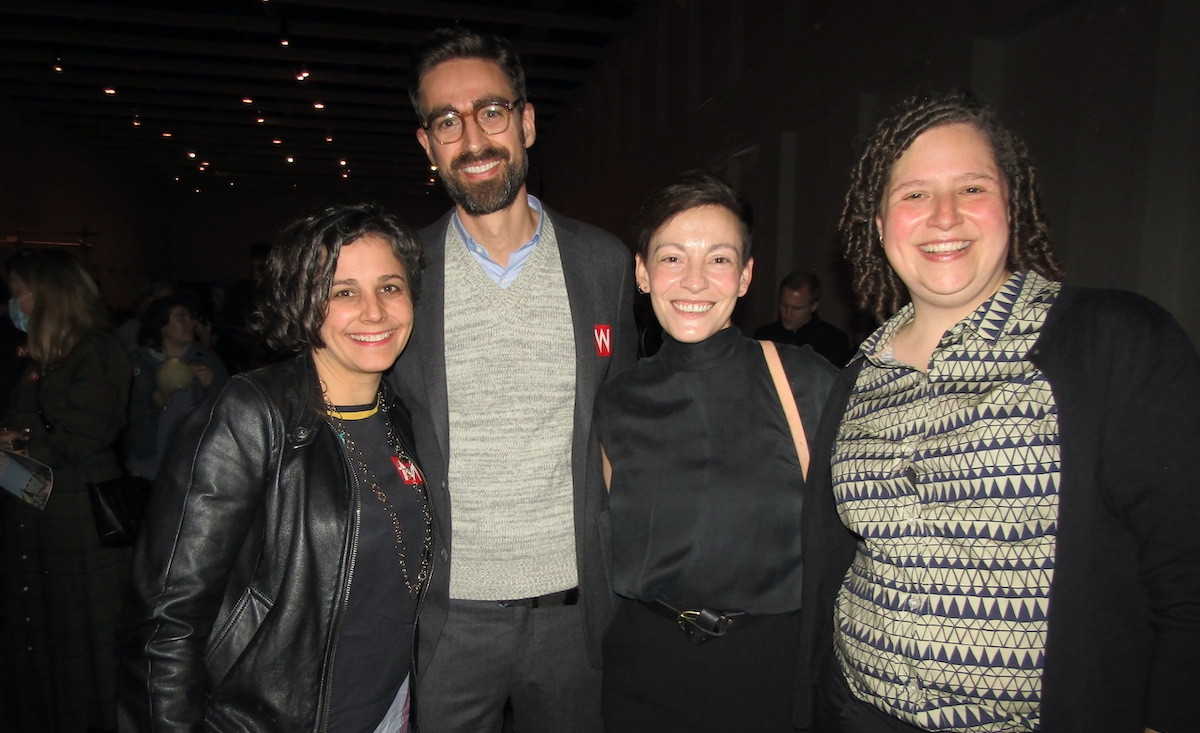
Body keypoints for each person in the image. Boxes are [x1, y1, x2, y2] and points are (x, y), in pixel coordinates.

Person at [806, 90, 1200, 733]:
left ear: (1012, 206)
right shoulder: (859, 378)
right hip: (860, 713)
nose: (943, 216)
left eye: (971, 188)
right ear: (878, 225)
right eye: (913, 194)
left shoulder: (1111, 342)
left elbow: (1188, 571)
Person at [388, 27, 636, 732]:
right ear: (427, 143)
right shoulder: (403, 274)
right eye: (447, 121)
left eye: (491, 111)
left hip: (574, 620)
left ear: (525, 122)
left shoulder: (602, 263)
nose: (473, 137)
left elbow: (621, 422)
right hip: (448, 623)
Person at [118, 203, 431, 731]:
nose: (374, 311)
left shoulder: (404, 413)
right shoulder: (249, 415)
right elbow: (166, 622)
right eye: (344, 291)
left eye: (390, 287)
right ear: (302, 303)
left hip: (391, 710)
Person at [594, 172, 838, 731]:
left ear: (747, 275)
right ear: (642, 271)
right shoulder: (617, 399)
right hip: (644, 671)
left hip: (769, 671)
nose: (695, 281)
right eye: (673, 258)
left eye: (720, 259)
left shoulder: (804, 382)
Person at [0, 248, 132, 732]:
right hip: (36, 502)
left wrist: (18, 441)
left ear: (47, 294)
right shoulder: (45, 354)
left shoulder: (94, 348)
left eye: (19, 293)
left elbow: (85, 431)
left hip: (78, 511)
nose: (15, 303)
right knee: (42, 629)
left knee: (82, 638)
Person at [126, 295, 228, 478]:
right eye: (181, 317)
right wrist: (153, 402)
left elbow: (227, 405)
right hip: (148, 455)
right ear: (162, 326)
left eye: (191, 317)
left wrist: (210, 385)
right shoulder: (138, 363)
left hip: (194, 458)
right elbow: (125, 408)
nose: (190, 323)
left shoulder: (206, 359)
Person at [754, 270, 853, 365]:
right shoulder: (764, 335)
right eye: (784, 305)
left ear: (814, 306)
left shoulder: (833, 341)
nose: (788, 313)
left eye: (797, 308)